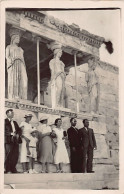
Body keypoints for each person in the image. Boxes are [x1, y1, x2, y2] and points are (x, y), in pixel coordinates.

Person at [6, 27, 28, 100]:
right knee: (14, 79)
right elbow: (7, 57)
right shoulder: (9, 47)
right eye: (17, 38)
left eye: (19, 38)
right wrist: (12, 61)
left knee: (24, 79)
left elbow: (23, 59)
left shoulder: (21, 49)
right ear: (13, 39)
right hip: (13, 64)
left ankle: (23, 96)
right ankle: (14, 96)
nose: (18, 40)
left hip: (21, 64)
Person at [4, 109, 22, 173]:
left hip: (15, 141)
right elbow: (3, 130)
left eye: (13, 113)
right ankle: (7, 169)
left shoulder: (15, 122)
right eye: (11, 113)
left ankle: (13, 169)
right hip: (8, 140)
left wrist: (18, 134)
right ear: (7, 114)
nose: (13, 114)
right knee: (8, 155)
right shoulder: (4, 121)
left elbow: (19, 130)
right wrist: (11, 134)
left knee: (15, 155)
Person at [49, 44, 66, 108]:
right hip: (57, 76)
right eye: (59, 52)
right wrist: (53, 79)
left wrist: (63, 74)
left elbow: (63, 71)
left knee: (62, 91)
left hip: (62, 77)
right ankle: (56, 104)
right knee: (59, 89)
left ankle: (60, 104)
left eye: (61, 53)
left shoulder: (61, 63)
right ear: (56, 53)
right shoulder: (52, 61)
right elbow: (52, 71)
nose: (60, 54)